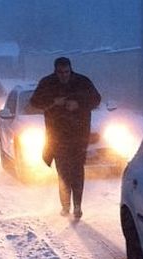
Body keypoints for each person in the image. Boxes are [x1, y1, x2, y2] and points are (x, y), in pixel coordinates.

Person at [30, 57, 101, 220]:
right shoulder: (47, 83)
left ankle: (77, 206)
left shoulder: (82, 82)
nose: (64, 76)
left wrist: (78, 104)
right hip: (57, 136)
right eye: (60, 73)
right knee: (63, 172)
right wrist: (53, 102)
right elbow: (34, 102)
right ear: (55, 71)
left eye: (67, 72)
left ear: (71, 69)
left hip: (79, 135)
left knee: (77, 171)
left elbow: (96, 99)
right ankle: (65, 205)